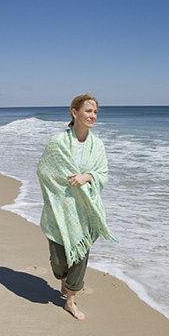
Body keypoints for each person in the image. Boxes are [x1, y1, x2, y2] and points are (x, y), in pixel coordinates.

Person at [37, 94, 119, 320]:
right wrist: (63, 184)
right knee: (59, 259)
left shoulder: (97, 145)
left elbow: (103, 174)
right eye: (88, 111)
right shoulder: (58, 142)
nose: (92, 116)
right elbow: (44, 170)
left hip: (84, 209)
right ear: (74, 112)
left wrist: (88, 177)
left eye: (95, 112)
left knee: (80, 254)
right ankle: (63, 279)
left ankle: (70, 301)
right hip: (59, 207)